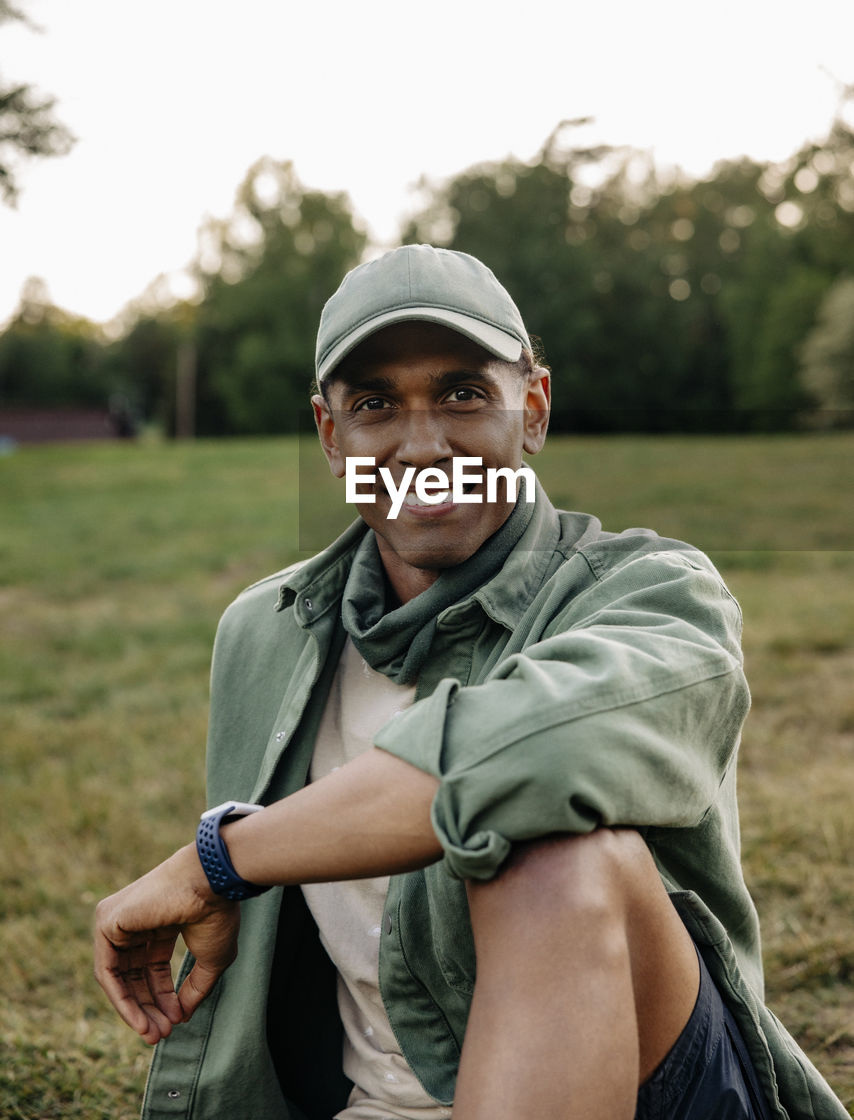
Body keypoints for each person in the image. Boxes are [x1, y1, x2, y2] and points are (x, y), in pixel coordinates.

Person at [95, 244, 847, 1120]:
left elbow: (525, 759)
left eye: (463, 393)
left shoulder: (657, 594)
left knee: (554, 857)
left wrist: (220, 861)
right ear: (332, 439)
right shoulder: (267, 631)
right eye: (376, 404)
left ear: (532, 408)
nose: (424, 444)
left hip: (666, 1094)